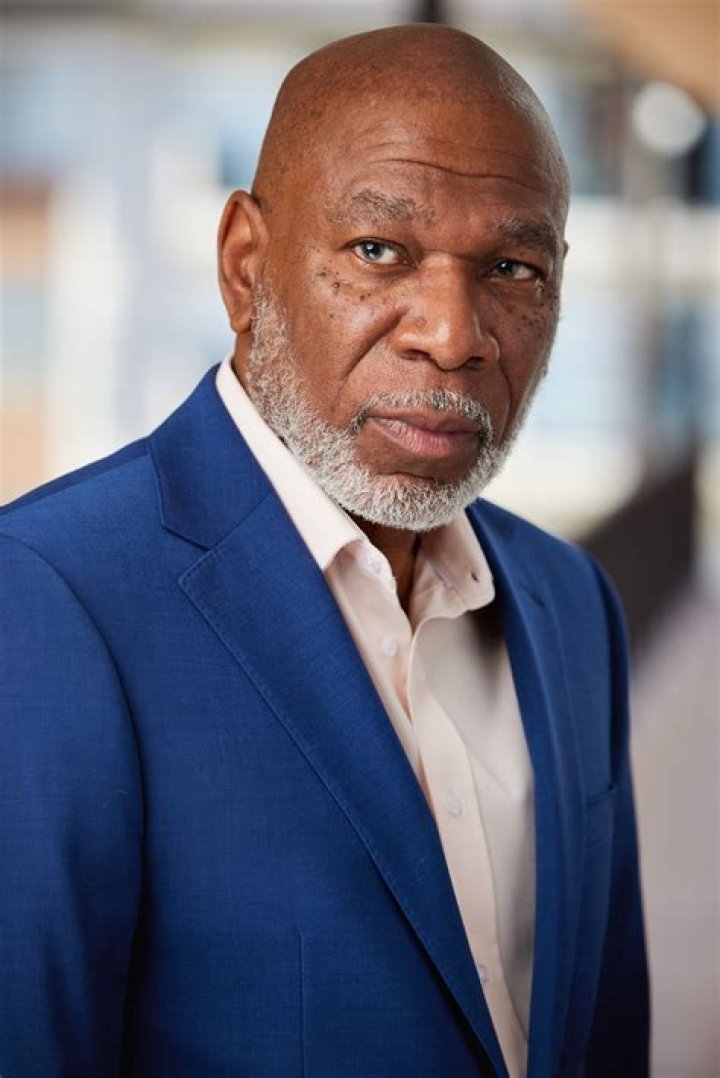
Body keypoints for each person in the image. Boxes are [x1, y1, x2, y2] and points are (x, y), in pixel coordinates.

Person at [0, 24, 648, 1077]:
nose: (452, 333)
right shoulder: (45, 600)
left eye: (511, 267)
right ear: (244, 267)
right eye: (379, 251)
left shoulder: (572, 604)